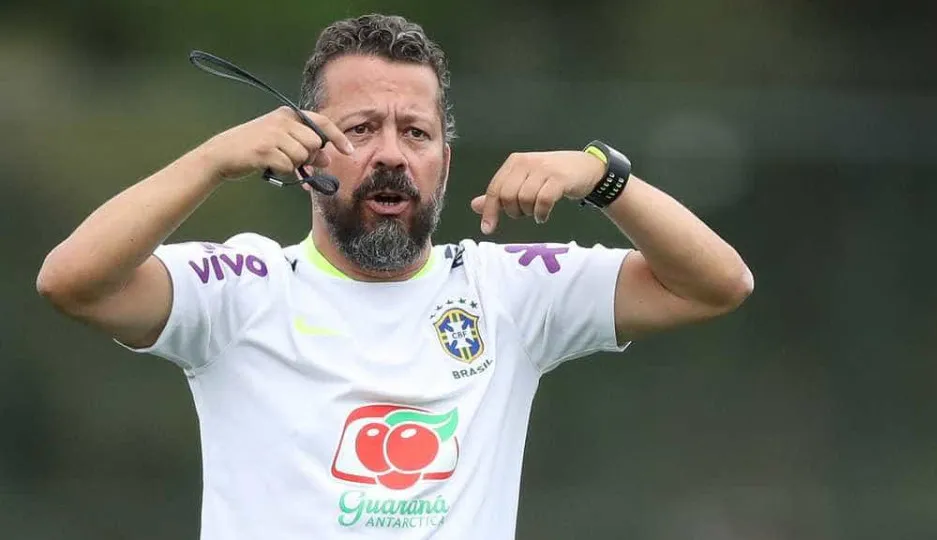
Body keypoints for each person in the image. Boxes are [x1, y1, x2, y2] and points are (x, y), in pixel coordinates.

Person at [36, 13, 753, 540]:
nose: (391, 155)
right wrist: (211, 160)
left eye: (416, 132)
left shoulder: (507, 290)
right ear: (303, 148)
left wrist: (603, 178)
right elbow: (72, 281)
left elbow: (718, 284)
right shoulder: (241, 287)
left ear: (444, 159)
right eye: (360, 128)